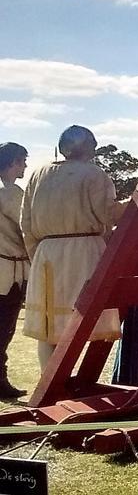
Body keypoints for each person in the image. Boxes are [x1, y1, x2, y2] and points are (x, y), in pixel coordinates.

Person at [21, 126, 124, 369]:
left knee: (50, 324)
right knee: (80, 316)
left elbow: (25, 221)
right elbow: (107, 213)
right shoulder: (93, 174)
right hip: (84, 251)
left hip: (46, 254)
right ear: (86, 146)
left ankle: (50, 381)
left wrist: (37, 254)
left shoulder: (38, 174)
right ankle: (57, 383)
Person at [0, 142, 30, 398]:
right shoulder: (9, 193)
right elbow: (27, 227)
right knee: (3, 327)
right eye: (22, 161)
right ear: (12, 163)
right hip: (7, 271)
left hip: (9, 266)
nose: (25, 166)